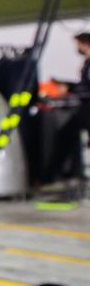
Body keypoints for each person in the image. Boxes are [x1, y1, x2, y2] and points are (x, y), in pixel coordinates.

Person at [44, 32, 90, 183]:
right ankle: (61, 174)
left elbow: (86, 89)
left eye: (78, 44)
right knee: (68, 136)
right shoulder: (86, 63)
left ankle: (51, 176)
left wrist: (69, 88)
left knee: (66, 135)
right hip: (85, 106)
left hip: (87, 108)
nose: (77, 48)